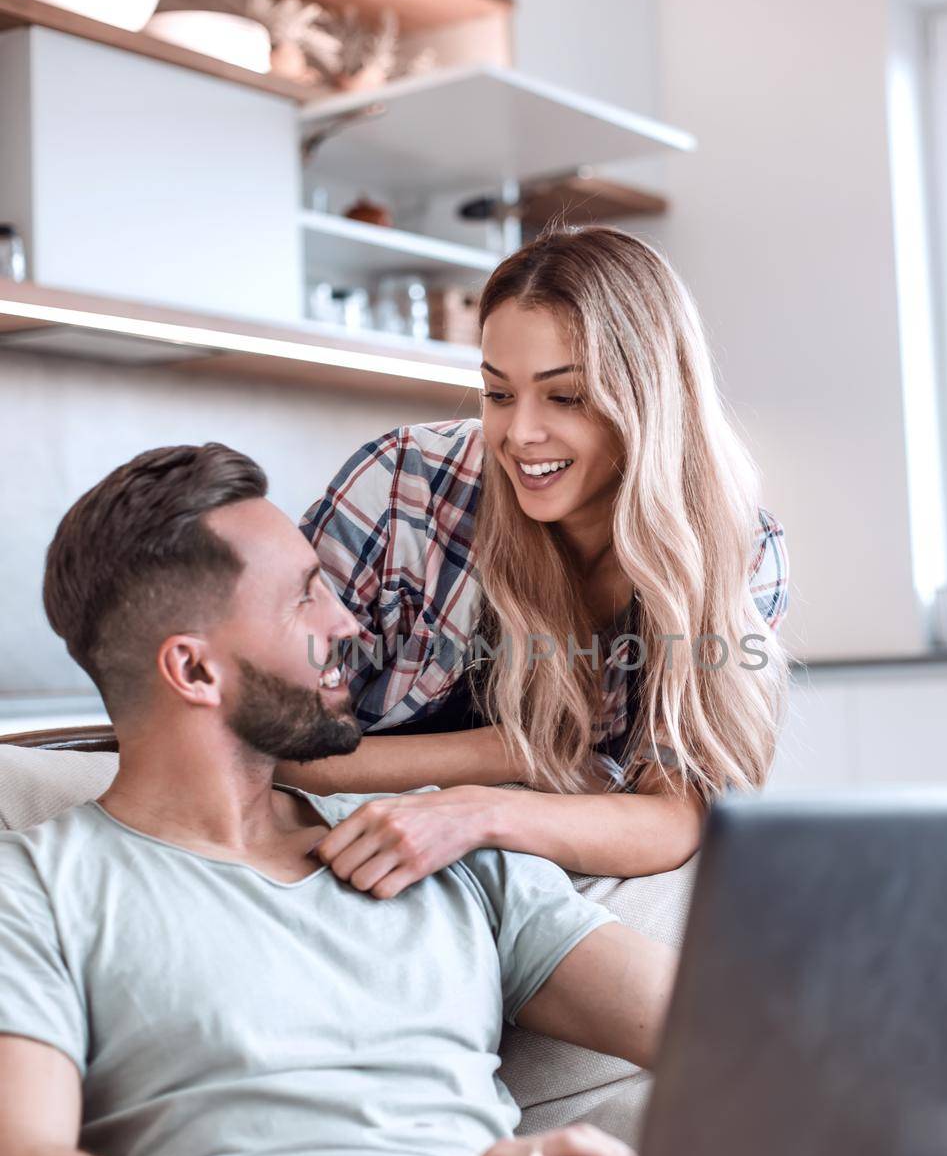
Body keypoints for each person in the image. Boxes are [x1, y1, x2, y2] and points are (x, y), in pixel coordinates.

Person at [5, 443, 947, 1156]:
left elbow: (732, 1040)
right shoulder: (40, 887)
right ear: (194, 670)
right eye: (307, 597)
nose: (350, 621)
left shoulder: (439, 847)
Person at [288, 226, 790, 897]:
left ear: (648, 400)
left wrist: (482, 810)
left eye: (565, 397)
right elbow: (266, 745)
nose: (519, 434)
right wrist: (513, 754)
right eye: (498, 394)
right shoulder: (406, 485)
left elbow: (679, 814)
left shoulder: (737, 551)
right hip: (341, 852)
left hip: (535, 864)